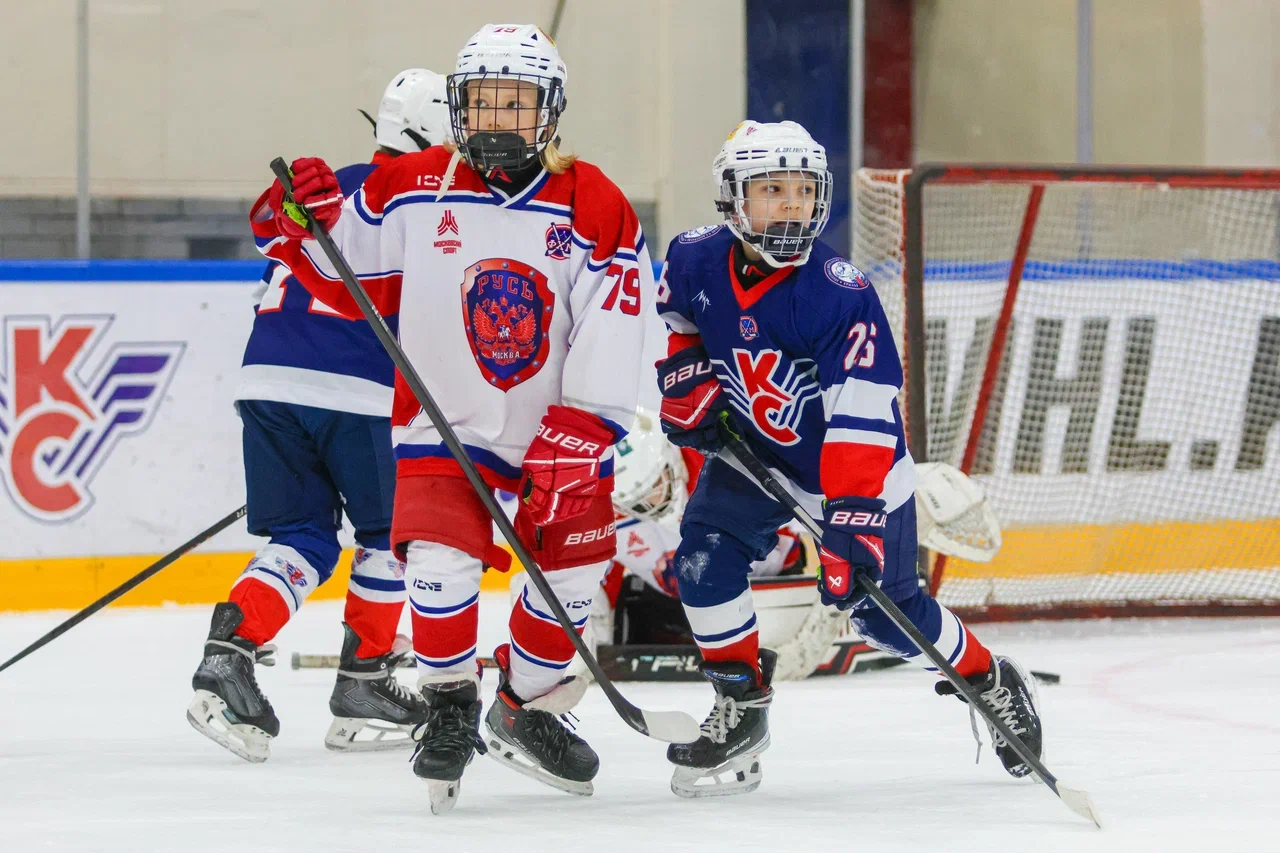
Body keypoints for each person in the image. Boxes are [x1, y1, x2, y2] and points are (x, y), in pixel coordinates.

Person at [246, 24, 653, 812]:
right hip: (445, 423)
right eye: (484, 102)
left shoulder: (594, 202)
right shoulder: (414, 186)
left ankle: (523, 705)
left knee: (573, 581)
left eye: (518, 103)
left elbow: (617, 309)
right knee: (436, 558)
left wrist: (591, 421)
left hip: (556, 434)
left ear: (551, 112)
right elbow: (343, 269)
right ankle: (451, 707)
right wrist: (305, 216)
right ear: (460, 110)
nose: (499, 118)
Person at [653, 119, 1043, 798]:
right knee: (701, 559)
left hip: (852, 476)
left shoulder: (839, 291)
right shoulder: (691, 257)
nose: (790, 206)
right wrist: (686, 380)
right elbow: (680, 324)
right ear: (733, 196)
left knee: (885, 615)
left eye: (802, 191)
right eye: (771, 190)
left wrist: (852, 523)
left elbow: (863, 420)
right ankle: (741, 706)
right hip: (753, 455)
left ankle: (987, 677)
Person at [187, 69, 451, 763]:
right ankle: (364, 676)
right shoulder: (429, 199)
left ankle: (229, 653)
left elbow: (276, 247)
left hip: (266, 376)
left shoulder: (330, 182)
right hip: (357, 387)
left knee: (303, 534)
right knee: (391, 537)